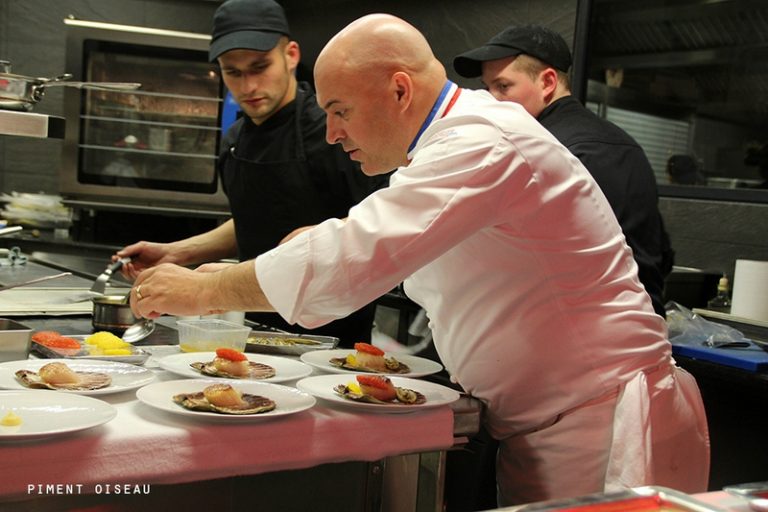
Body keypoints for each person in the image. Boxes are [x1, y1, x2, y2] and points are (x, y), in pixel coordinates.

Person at [128, 14, 710, 507]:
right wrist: (257, 267)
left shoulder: (482, 140)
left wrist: (205, 292)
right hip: (553, 420)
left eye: (340, 111)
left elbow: (356, 253)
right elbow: (396, 247)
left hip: (602, 422)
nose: (332, 134)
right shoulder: (449, 142)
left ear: (400, 91)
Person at [114, 0, 387, 347]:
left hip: (333, 340)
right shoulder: (235, 141)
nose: (248, 86)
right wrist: (178, 252)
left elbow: (377, 227)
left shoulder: (334, 133)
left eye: (260, 67)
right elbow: (257, 216)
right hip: (251, 330)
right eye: (234, 72)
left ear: (290, 55)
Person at [453, 25, 674, 317]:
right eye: (487, 88)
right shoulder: (625, 143)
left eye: (503, 87)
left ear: (547, 82)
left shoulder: (539, 150)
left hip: (582, 326)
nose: (492, 100)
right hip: (643, 322)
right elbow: (661, 254)